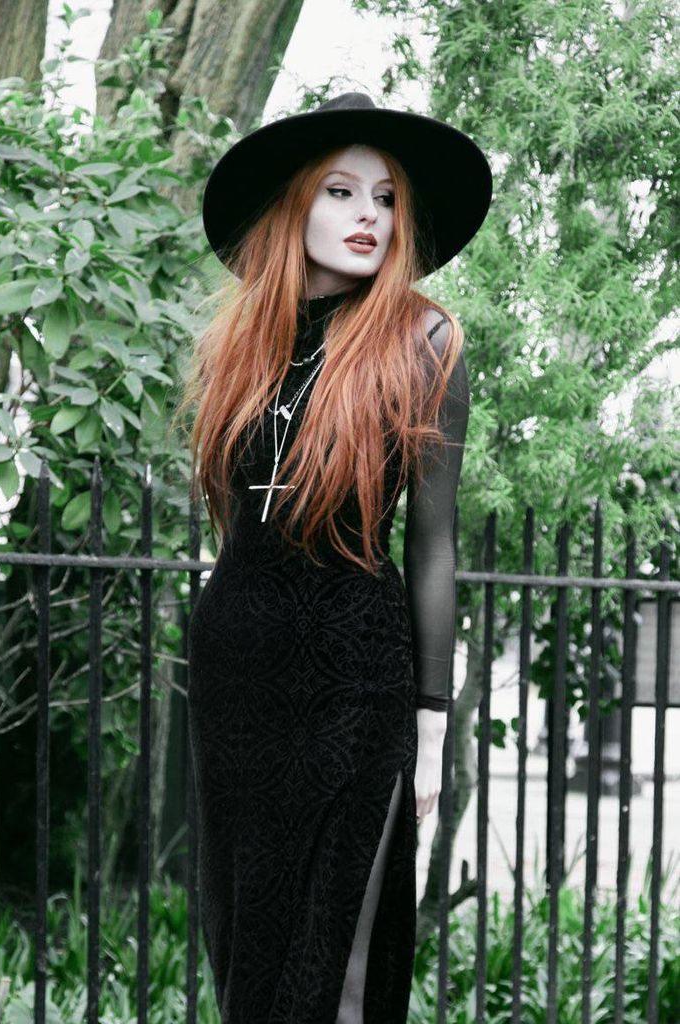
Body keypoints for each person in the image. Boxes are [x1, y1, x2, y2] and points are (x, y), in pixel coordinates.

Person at [183, 91, 492, 1024]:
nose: (369, 216)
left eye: (387, 198)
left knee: (339, 965)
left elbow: (432, 545)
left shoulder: (424, 341)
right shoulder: (242, 344)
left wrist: (430, 731)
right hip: (238, 675)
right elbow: (239, 527)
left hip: (356, 679)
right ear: (296, 205)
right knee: (247, 950)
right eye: (342, 191)